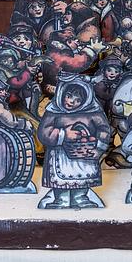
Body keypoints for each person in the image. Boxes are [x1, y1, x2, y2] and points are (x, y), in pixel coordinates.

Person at [37, 74, 112, 209]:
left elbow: (104, 129)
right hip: (60, 155)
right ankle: (61, 199)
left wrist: (99, 148)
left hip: (85, 154)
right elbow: (43, 132)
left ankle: (80, 197)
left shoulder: (92, 111)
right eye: (69, 96)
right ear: (62, 93)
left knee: (83, 181)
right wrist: (63, 134)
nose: (71, 102)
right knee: (61, 181)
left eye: (77, 100)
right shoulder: (54, 111)